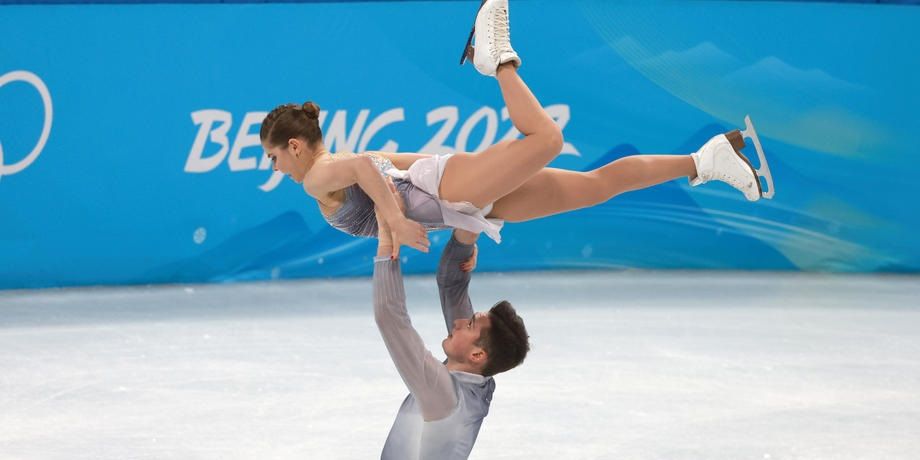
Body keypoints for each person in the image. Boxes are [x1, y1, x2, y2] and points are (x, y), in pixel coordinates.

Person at [260, 0, 774, 257]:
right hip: (456, 197)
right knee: (595, 186)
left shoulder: (318, 177)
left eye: (274, 156)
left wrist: (399, 218)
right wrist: (460, 212)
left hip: (449, 189)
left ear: (295, 145)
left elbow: (367, 172)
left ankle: (496, 59)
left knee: (548, 140)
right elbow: (397, 163)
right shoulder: (338, 165)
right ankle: (704, 160)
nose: (275, 166)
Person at [372, 194, 530, 459]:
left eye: (468, 324)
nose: (457, 322)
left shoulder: (445, 396)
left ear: (477, 354)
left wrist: (387, 237)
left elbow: (390, 317)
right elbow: (452, 284)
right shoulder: (477, 376)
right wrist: (467, 239)